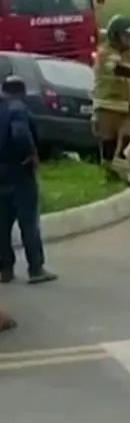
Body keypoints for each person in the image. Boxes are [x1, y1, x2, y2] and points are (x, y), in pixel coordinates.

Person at [0, 76, 58, 284]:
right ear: (21, 92)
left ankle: (5, 269)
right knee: (28, 221)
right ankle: (35, 268)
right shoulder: (18, 108)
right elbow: (20, 134)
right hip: (19, 172)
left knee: (2, 223)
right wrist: (30, 155)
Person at [92, 14, 130, 180]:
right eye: (126, 36)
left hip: (128, 106)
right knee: (108, 143)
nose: (129, 40)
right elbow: (116, 68)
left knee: (129, 141)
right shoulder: (104, 53)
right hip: (108, 105)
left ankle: (123, 173)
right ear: (115, 35)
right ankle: (109, 174)